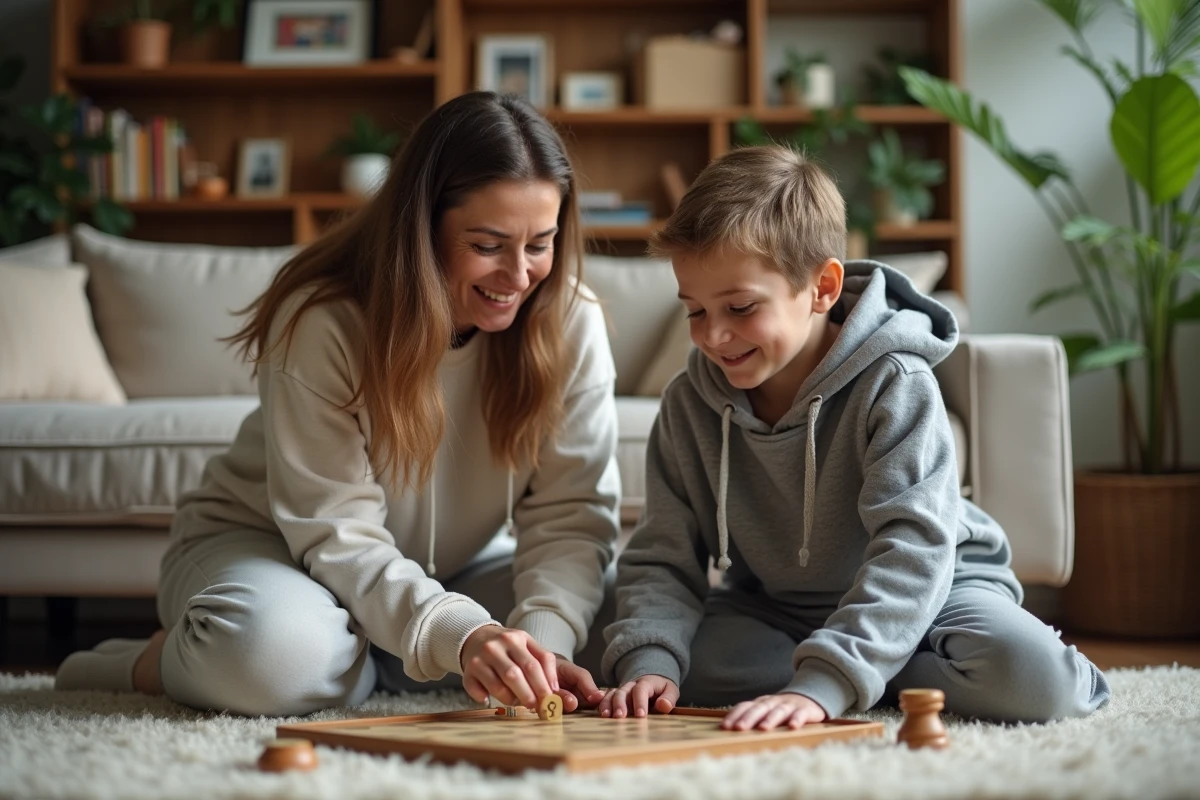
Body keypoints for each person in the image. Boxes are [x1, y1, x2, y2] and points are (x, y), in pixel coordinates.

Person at [56, 92, 621, 717]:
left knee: (632, 621)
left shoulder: (569, 321)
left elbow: (572, 515)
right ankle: (147, 662)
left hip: (447, 570)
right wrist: (458, 634)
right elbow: (334, 531)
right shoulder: (322, 320)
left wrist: (535, 659)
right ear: (422, 227)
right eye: (488, 245)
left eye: (540, 243)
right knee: (272, 656)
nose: (519, 274)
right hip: (274, 550)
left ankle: (367, 659)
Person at [598, 145, 1111, 731]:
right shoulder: (688, 404)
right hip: (782, 609)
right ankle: (874, 671)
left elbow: (914, 548)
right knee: (663, 661)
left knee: (1036, 680)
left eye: (740, 307)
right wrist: (652, 663)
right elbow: (663, 555)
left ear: (822, 287)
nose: (713, 336)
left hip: (937, 589)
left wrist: (820, 685)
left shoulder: (897, 384)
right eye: (694, 311)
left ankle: (850, 670)